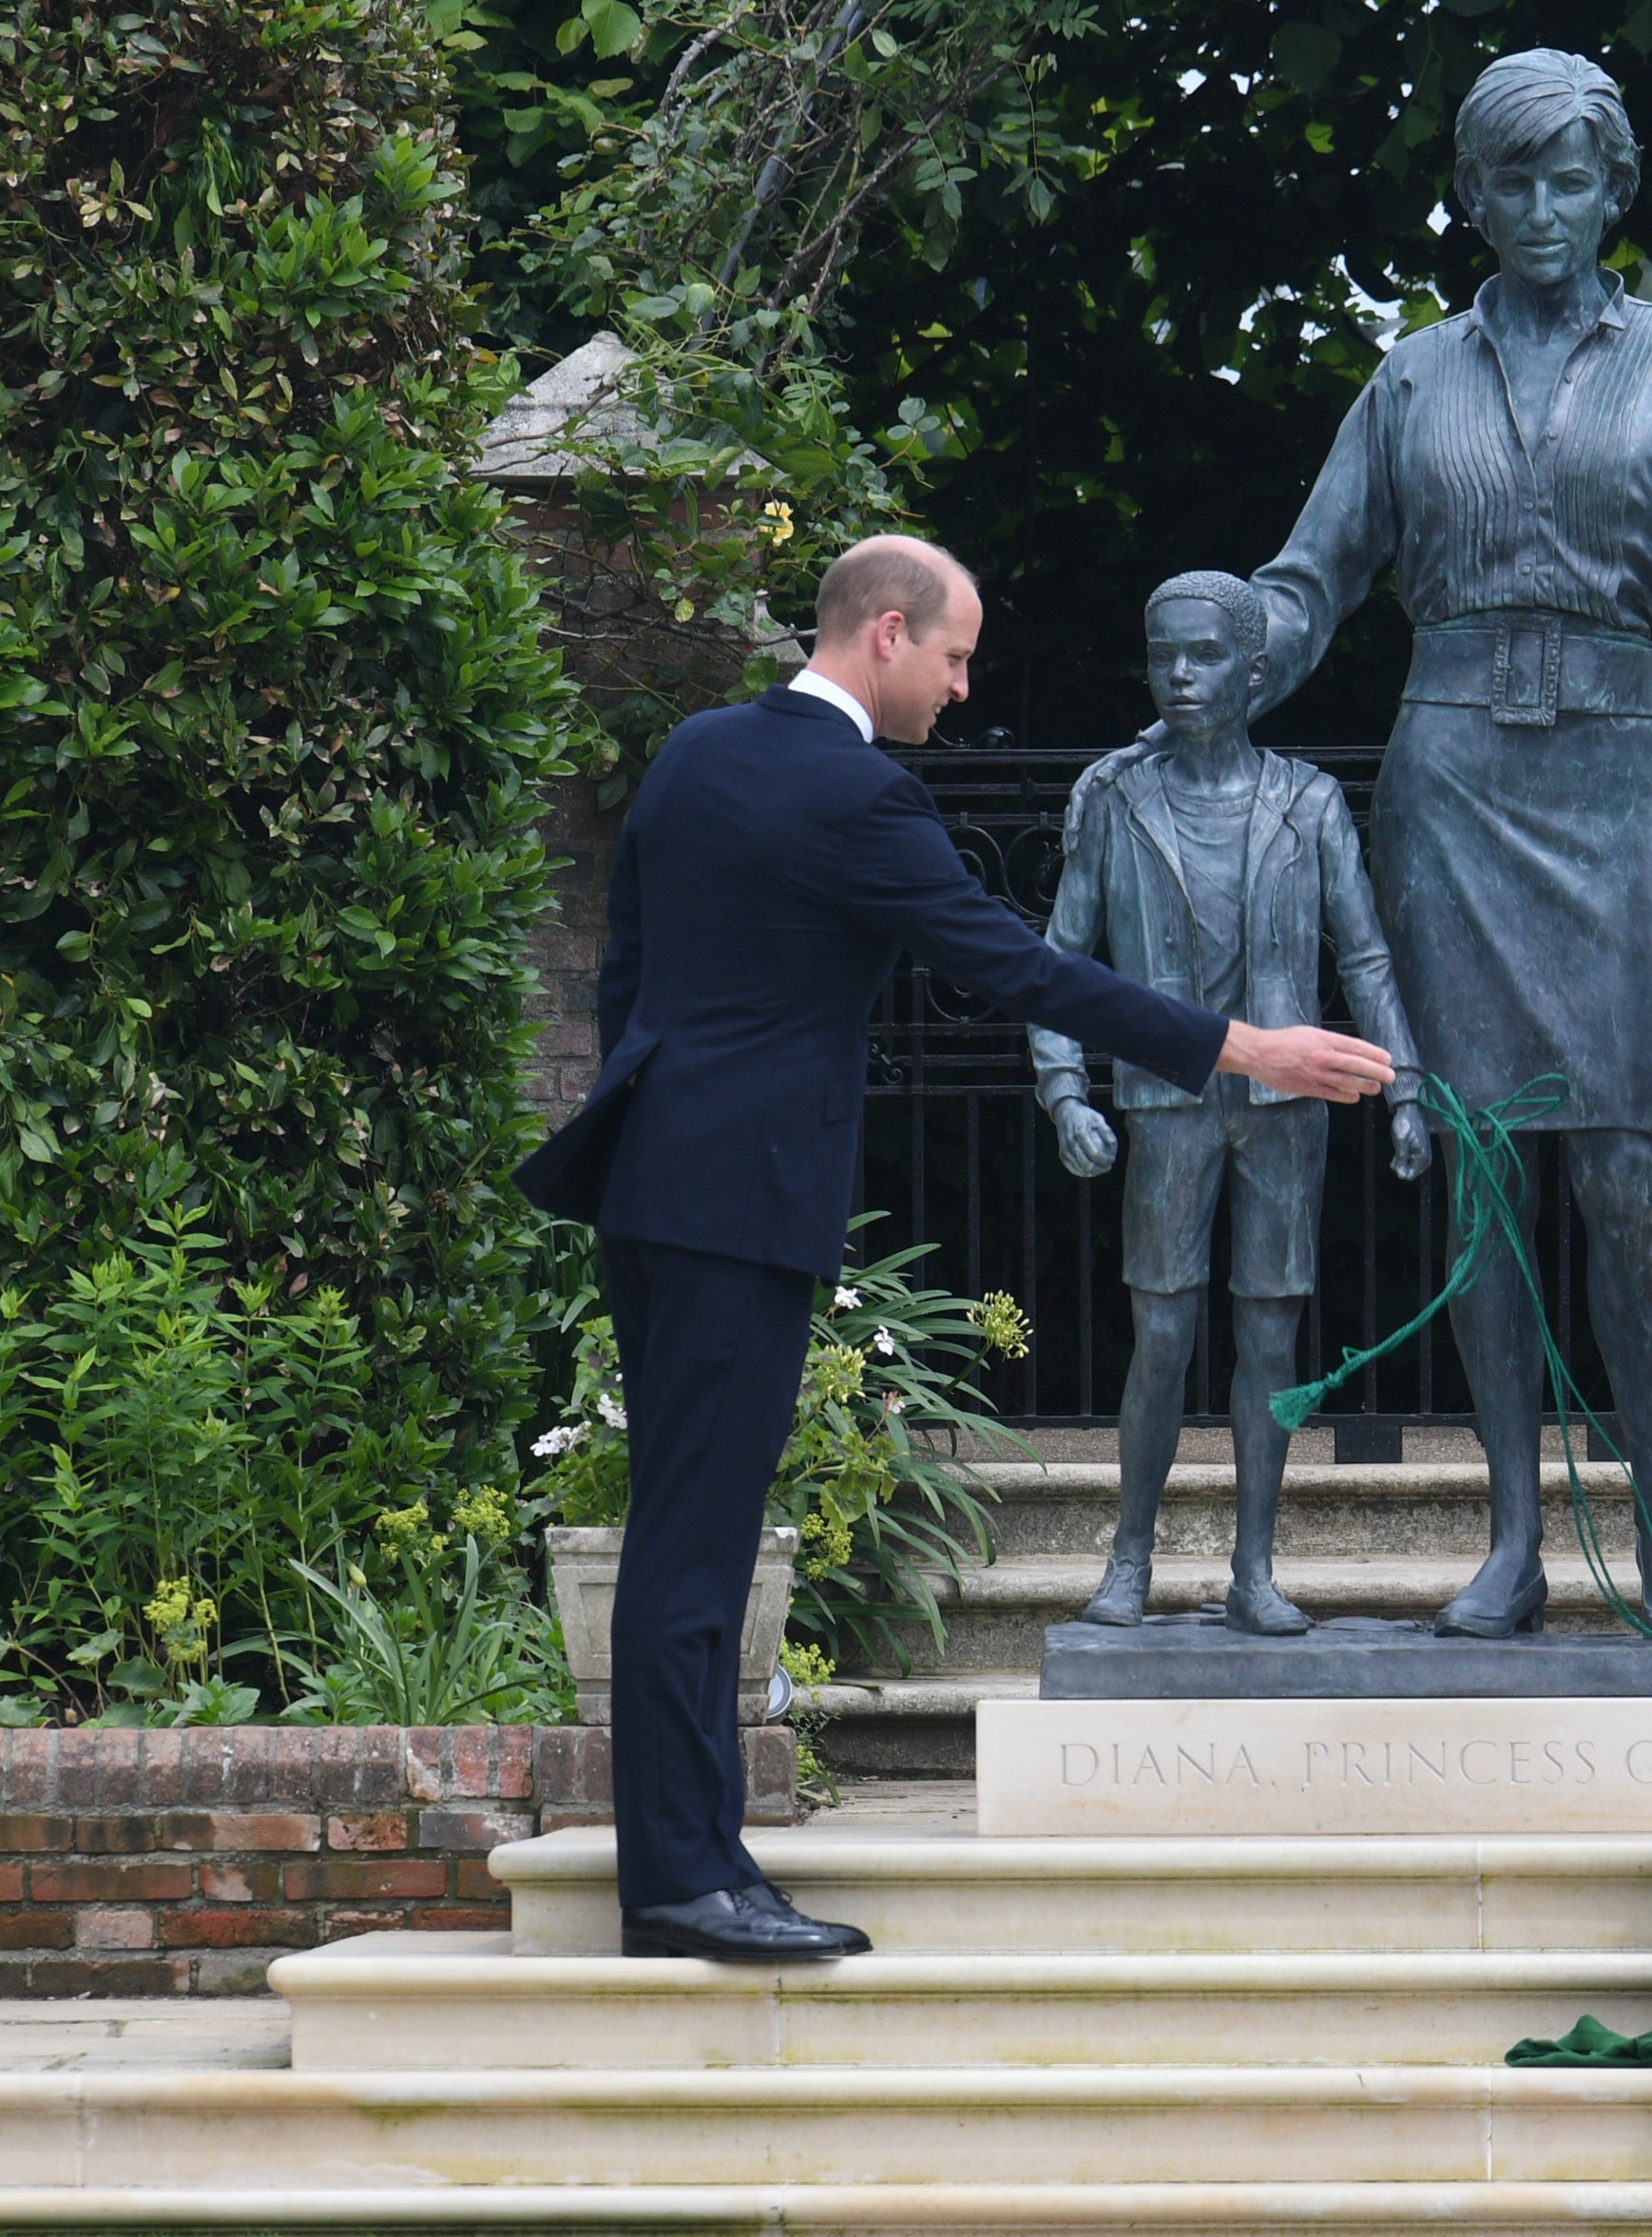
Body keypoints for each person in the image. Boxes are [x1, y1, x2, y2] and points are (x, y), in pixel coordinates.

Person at [516, 534, 1395, 1961]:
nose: (965, 685)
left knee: (685, 1540)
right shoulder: (859, 793)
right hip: (741, 1205)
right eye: (954, 654)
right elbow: (1021, 966)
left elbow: (628, 970)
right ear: (881, 634)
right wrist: (1250, 1047)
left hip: (657, 1189)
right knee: (698, 1548)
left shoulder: (693, 755)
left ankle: (691, 1864)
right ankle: (684, 1883)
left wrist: (665, 1120)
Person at [1114, 50, 1652, 1636]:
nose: (1540, 207)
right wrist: (1216, 663)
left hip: (1608, 777)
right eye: (1511, 179)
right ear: (1474, 194)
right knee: (1480, 1176)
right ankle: (1518, 1536)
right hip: (1450, 783)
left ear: (1617, 188)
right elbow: (1310, 580)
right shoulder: (1409, 380)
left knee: (1620, 1171)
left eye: (1569, 177)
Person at [1031, 571, 1431, 1636]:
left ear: (1255, 674)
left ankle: (1255, 1568)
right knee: (1160, 1337)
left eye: (1203, 656)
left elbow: (1368, 954)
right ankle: (1132, 1556)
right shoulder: (1117, 800)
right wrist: (1064, 1087)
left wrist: (1407, 1089)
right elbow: (1057, 962)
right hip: (1164, 1107)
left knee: (1270, 1341)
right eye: (1163, 655)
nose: (1179, 675)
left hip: (1284, 1111)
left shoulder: (1307, 802)